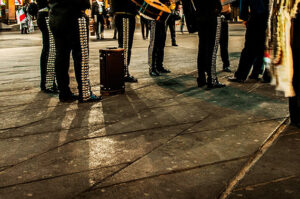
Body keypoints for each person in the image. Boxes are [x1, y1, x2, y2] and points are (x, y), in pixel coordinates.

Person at [49, 0, 102, 102]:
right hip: (73, 17)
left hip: (55, 17)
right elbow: (83, 3)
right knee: (81, 56)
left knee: (61, 56)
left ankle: (64, 92)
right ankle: (85, 92)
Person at [182, 0, 226, 88]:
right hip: (212, 17)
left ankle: (201, 78)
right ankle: (212, 79)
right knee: (212, 50)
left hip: (200, 17)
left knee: (202, 49)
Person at [228, 0, 269, 83]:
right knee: (262, 47)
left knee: (249, 49)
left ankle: (240, 75)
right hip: (267, 18)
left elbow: (244, 4)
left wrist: (244, 17)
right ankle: (258, 73)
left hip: (255, 18)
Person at [111, 0, 138, 82]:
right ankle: (124, 73)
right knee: (125, 46)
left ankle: (122, 71)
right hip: (125, 15)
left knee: (124, 45)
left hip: (124, 15)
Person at [36, 0, 57, 93]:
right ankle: (48, 83)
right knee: (50, 49)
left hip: (45, 12)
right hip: (46, 14)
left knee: (49, 48)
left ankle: (48, 82)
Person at [148, 0, 171, 76]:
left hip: (162, 19)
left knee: (161, 44)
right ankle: (152, 68)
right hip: (154, 17)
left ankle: (159, 66)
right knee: (154, 43)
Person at [220, 0, 232, 72]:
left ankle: (226, 64)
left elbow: (228, 9)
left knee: (224, 44)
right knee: (223, 44)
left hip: (223, 18)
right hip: (215, 17)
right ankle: (226, 64)